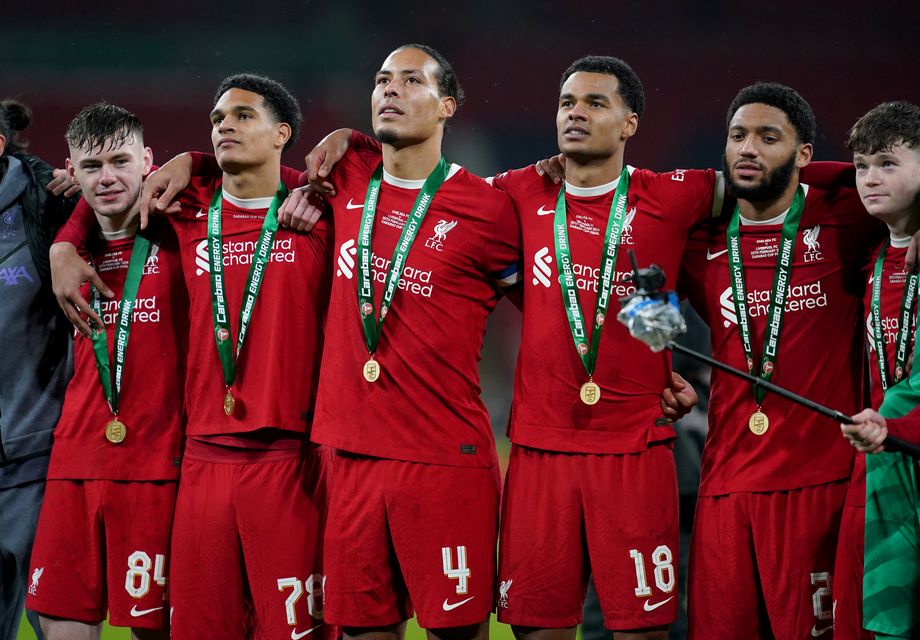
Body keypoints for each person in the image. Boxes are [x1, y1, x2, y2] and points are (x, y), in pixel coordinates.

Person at [51, 74, 335, 639]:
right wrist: (64, 241)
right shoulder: (186, 211)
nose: (225, 124)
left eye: (243, 115)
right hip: (201, 456)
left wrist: (335, 150)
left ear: (283, 134)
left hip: (289, 454)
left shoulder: (319, 209)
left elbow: (391, 178)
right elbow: (104, 199)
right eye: (216, 118)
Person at [678, 82, 882, 639]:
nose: (749, 149)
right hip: (725, 485)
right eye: (738, 136)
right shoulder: (700, 237)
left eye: (770, 138)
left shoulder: (844, 217)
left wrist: (801, 173)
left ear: (803, 154)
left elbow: (887, 173)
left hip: (817, 480)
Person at [24, 102, 186, 640]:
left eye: (121, 161)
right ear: (71, 173)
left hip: (158, 465)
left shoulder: (183, 233)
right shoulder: (63, 244)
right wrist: (64, 243)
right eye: (91, 167)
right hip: (75, 459)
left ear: (148, 161)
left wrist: (195, 161)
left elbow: (242, 171)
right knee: (60, 619)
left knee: (154, 626)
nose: (108, 177)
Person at [839, 100, 920, 640]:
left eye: (888, 164)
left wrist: (897, 429)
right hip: (886, 460)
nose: (870, 178)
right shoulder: (872, 258)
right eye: (862, 165)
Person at [0, 98, 78, 640]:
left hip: (32, 462)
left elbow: (138, 202)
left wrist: (179, 162)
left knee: (58, 622)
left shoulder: (47, 199)